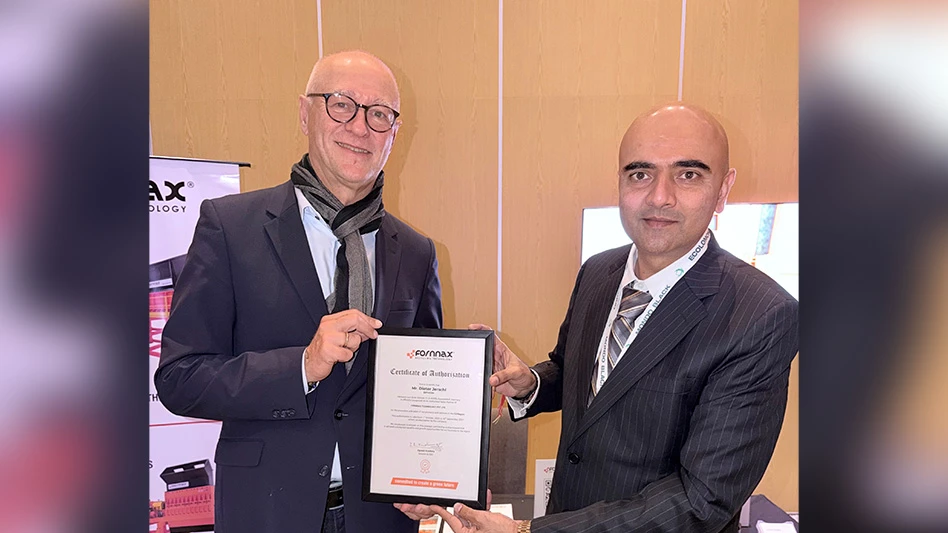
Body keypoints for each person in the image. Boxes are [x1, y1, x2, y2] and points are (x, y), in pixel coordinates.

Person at [409, 104, 798, 532]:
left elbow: (700, 500)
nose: (659, 196)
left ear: (723, 189)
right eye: (640, 174)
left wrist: (528, 532)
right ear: (620, 182)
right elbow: (580, 377)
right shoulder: (598, 271)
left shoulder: (760, 314)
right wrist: (531, 384)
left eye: (688, 174)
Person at [155, 50, 442, 533]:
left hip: (380, 518)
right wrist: (302, 366)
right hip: (267, 512)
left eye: (380, 115)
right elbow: (180, 379)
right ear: (305, 113)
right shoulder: (230, 227)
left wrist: (439, 474)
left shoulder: (415, 250)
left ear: (395, 133)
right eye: (341, 104)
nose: (360, 127)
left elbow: (423, 392)